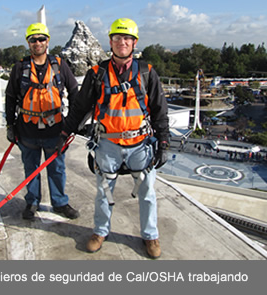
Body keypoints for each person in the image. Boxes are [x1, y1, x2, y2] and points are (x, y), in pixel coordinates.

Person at [55, 18, 169, 258]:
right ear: (111, 41)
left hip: (140, 144)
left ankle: (150, 236)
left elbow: (159, 109)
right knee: (105, 192)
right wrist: (65, 132)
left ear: (134, 42)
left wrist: (164, 142)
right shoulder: (97, 74)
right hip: (108, 144)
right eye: (118, 38)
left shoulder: (146, 72)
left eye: (127, 38)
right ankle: (100, 231)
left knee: (147, 193)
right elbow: (79, 108)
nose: (122, 42)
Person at [5, 23, 80, 220]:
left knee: (57, 169)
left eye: (41, 39)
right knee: (31, 169)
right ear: (28, 43)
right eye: (33, 39)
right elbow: (10, 97)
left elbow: (74, 92)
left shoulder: (59, 65)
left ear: (47, 41)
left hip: (55, 130)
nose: (37, 43)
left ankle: (60, 203)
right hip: (27, 131)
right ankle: (32, 202)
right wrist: (10, 125)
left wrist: (71, 124)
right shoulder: (20, 68)